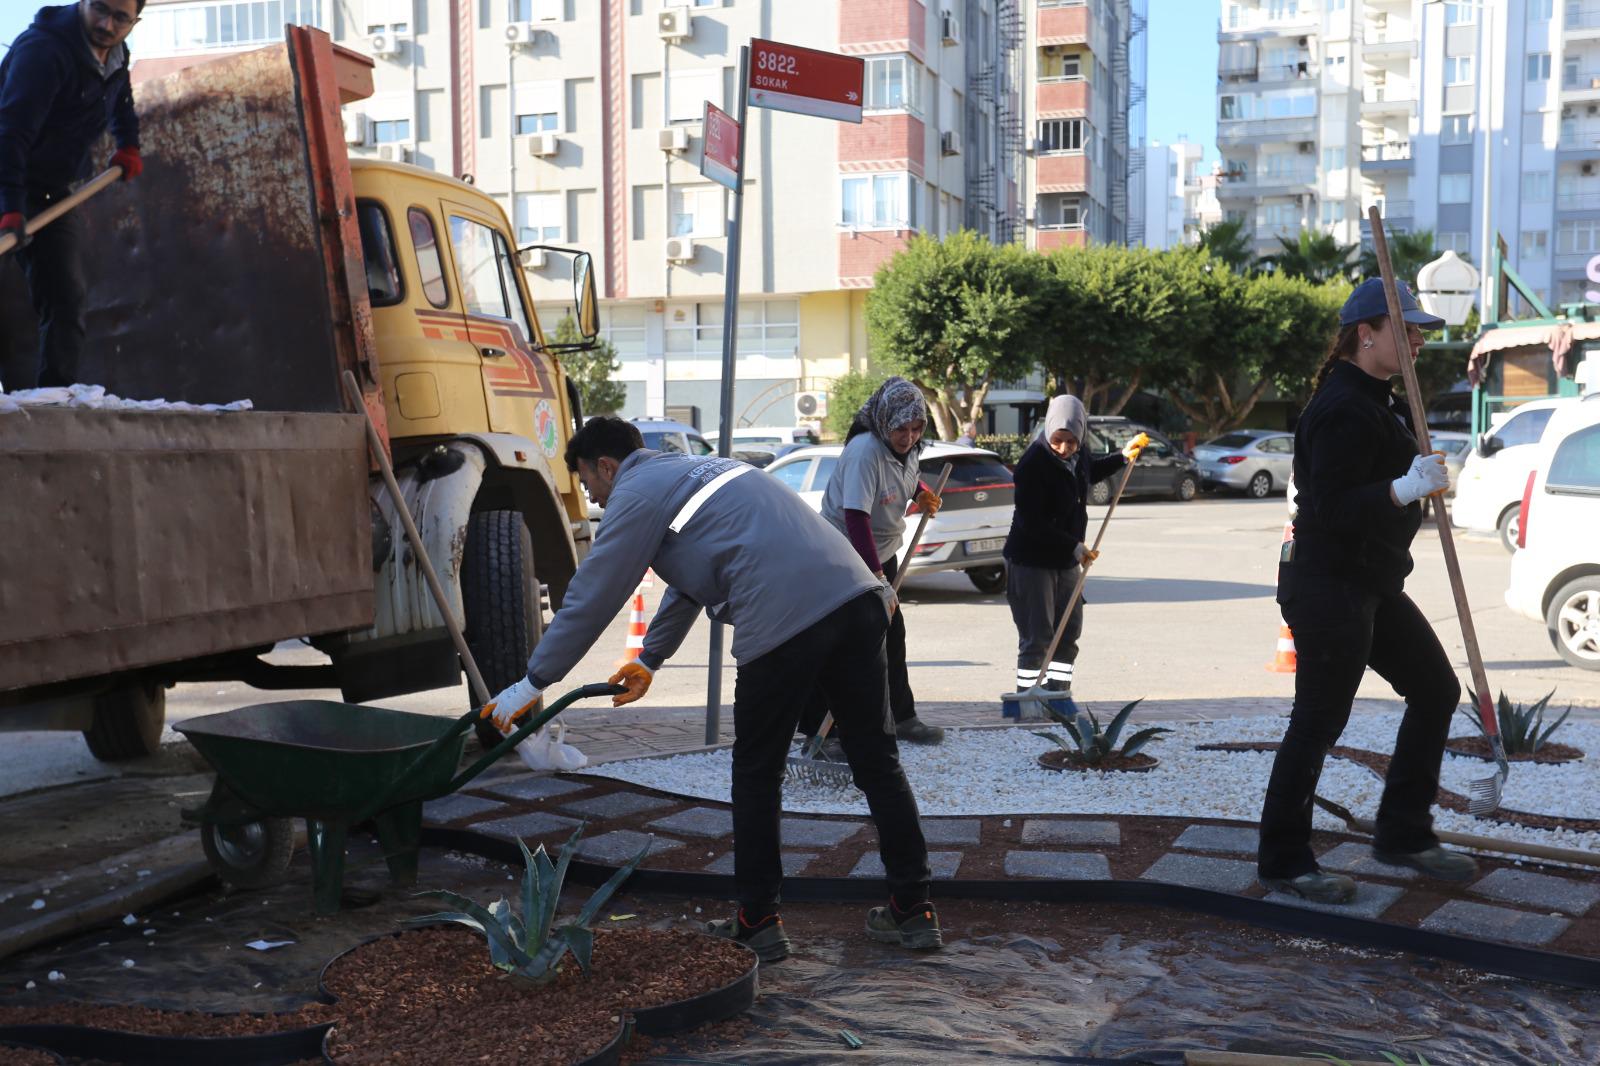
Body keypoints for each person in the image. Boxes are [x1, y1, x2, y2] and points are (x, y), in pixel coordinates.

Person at [482, 417, 939, 962]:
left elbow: (592, 594)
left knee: (756, 772)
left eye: (588, 484)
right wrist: (650, 657)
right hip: (861, 601)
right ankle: (914, 911)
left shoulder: (635, 493)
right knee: (877, 763)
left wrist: (530, 683)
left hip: (787, 617)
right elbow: (694, 574)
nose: (593, 498)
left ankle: (758, 921)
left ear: (607, 466)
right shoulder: (699, 472)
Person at [1257, 278, 1478, 904]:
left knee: (1435, 689)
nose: (1416, 340)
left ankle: (1404, 833)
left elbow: (1390, 481)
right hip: (1327, 585)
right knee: (1319, 719)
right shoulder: (1340, 407)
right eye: (1406, 329)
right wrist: (1401, 490)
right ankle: (1284, 860)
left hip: (1370, 581)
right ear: (1367, 334)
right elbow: (1327, 504)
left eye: (1418, 331)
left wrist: (1421, 483)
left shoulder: (1385, 400)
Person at [0, 0, 144, 388]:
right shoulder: (43, 52)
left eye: (120, 18)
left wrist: (127, 142)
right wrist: (10, 207)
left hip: (50, 192)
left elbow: (121, 97)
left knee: (66, 298)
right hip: (5, 179)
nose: (106, 24)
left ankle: (52, 404)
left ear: (134, 22)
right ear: (82, 2)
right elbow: (10, 134)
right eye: (100, 8)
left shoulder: (115, 53)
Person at [802, 376, 946, 746]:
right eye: (902, 428)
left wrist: (924, 493)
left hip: (881, 552)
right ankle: (821, 729)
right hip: (843, 555)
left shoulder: (908, 449)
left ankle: (903, 717)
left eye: (917, 428)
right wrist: (878, 578)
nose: (909, 436)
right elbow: (856, 517)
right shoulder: (865, 450)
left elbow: (904, 480)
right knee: (844, 642)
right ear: (884, 421)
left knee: (892, 636)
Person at [1003, 395, 1144, 714]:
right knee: (1038, 635)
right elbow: (1031, 522)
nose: (1064, 448)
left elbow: (1088, 473)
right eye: (1058, 440)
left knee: (1068, 631)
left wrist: (1123, 457)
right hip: (1032, 560)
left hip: (1066, 560)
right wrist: (1074, 546)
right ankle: (1027, 701)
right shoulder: (1032, 464)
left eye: (1071, 441)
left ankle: (1058, 697)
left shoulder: (1078, 456)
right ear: (1049, 431)